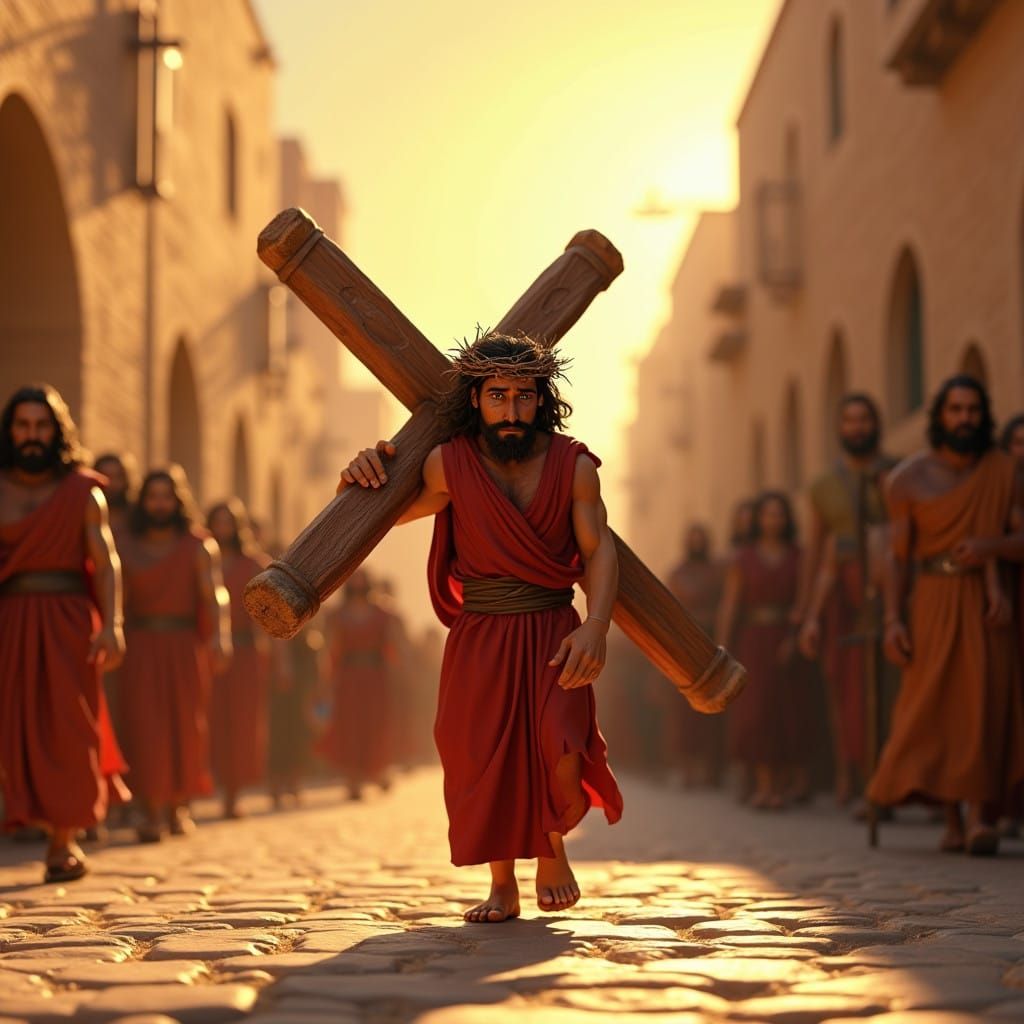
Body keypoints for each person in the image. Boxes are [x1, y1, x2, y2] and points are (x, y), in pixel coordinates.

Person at [339, 332, 622, 922]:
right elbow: (385, 513)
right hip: (480, 634)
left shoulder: (575, 466)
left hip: (552, 627)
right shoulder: (449, 464)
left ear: (540, 398)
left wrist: (595, 626)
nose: (512, 412)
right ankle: (502, 885)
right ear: (476, 400)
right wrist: (357, 476)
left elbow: (598, 550)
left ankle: (550, 849)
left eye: (523, 397)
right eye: (499, 397)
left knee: (559, 742)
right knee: (480, 756)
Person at [869, 376, 1024, 854]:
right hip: (932, 599)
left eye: (973, 410)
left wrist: (990, 546)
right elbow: (898, 556)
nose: (964, 419)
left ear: (983, 416)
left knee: (984, 703)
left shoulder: (1004, 470)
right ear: (939, 417)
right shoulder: (907, 479)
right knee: (932, 706)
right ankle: (952, 820)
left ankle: (980, 818)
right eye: (955, 410)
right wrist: (893, 620)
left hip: (986, 599)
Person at [0, 385, 128, 882]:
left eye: (41, 426)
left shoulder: (81, 490)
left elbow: (106, 561)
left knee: (71, 727)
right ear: (11, 431)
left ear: (57, 431)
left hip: (69, 621)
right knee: (13, 725)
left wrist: (113, 625)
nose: (32, 436)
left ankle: (62, 842)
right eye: (22, 425)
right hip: (9, 617)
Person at [118, 468, 231, 842]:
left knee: (185, 724)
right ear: (143, 501)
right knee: (144, 727)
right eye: (153, 496)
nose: (159, 503)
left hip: (183, 645)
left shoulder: (199, 544)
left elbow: (214, 594)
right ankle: (150, 810)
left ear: (178, 500)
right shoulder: (126, 542)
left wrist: (219, 637)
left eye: (166, 496)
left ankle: (178, 806)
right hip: (141, 644)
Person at [798, 394, 898, 806]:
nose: (857, 427)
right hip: (840, 593)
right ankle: (853, 776)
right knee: (848, 688)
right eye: (849, 420)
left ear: (875, 424)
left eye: (864, 419)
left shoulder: (897, 473)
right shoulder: (823, 485)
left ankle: (894, 780)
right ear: (840, 429)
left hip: (891, 587)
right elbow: (816, 546)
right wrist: (807, 611)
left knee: (894, 690)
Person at [717, 492, 802, 810]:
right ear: (759, 519)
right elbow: (731, 603)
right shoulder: (744, 558)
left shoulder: (797, 555)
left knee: (787, 710)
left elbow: (802, 600)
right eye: (767, 514)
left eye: (779, 514)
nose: (773, 520)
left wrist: (794, 636)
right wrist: (723, 648)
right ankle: (763, 786)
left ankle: (782, 785)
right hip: (753, 640)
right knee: (756, 713)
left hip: (786, 638)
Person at [207, 499, 270, 819]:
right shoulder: (204, 558)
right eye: (217, 521)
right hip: (208, 653)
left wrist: (279, 658)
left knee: (241, 723)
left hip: (245, 654)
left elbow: (273, 614)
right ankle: (202, 787)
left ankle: (233, 793)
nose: (222, 527)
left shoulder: (254, 564)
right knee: (209, 720)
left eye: (228, 521)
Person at [319, 569, 398, 799]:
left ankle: (377, 770)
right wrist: (326, 679)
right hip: (349, 676)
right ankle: (353, 780)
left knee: (374, 724)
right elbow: (331, 649)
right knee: (350, 726)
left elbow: (392, 647)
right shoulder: (338, 615)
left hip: (374, 676)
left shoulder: (382, 613)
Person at [665, 524, 725, 787]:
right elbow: (669, 610)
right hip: (684, 647)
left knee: (714, 710)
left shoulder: (717, 572)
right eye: (693, 538)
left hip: (712, 642)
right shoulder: (678, 573)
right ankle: (687, 770)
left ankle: (711, 771)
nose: (697, 543)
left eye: (701, 538)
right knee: (684, 712)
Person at [93, 452, 137, 539]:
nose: (112, 484)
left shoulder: (139, 516)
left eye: (118, 477)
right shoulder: (85, 518)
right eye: (106, 477)